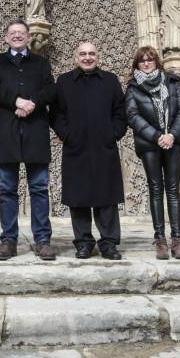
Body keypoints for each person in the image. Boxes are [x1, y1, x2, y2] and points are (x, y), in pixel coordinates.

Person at [0, 20, 56, 261]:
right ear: (6, 38)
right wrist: (16, 101)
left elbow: (50, 90)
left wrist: (31, 104)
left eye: (21, 33)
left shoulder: (41, 63)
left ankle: (43, 240)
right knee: (7, 190)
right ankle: (9, 240)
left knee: (38, 188)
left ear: (28, 37)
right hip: (6, 133)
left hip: (35, 130)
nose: (17, 36)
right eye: (12, 33)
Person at [52, 42, 127, 260]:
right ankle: (83, 243)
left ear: (98, 56)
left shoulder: (110, 80)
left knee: (107, 196)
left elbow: (120, 112)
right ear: (76, 58)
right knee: (79, 196)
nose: (87, 57)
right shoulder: (64, 82)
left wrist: (113, 133)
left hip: (104, 146)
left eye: (91, 53)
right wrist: (67, 135)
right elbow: (56, 114)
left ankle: (109, 243)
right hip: (76, 147)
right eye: (83, 54)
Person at [125, 46, 180, 260]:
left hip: (173, 142)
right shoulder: (133, 87)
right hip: (150, 144)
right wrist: (157, 136)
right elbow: (132, 115)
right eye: (142, 61)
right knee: (156, 189)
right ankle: (160, 239)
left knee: (173, 189)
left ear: (157, 62)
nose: (147, 64)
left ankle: (177, 239)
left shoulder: (172, 81)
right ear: (137, 65)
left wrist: (172, 135)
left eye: (150, 60)